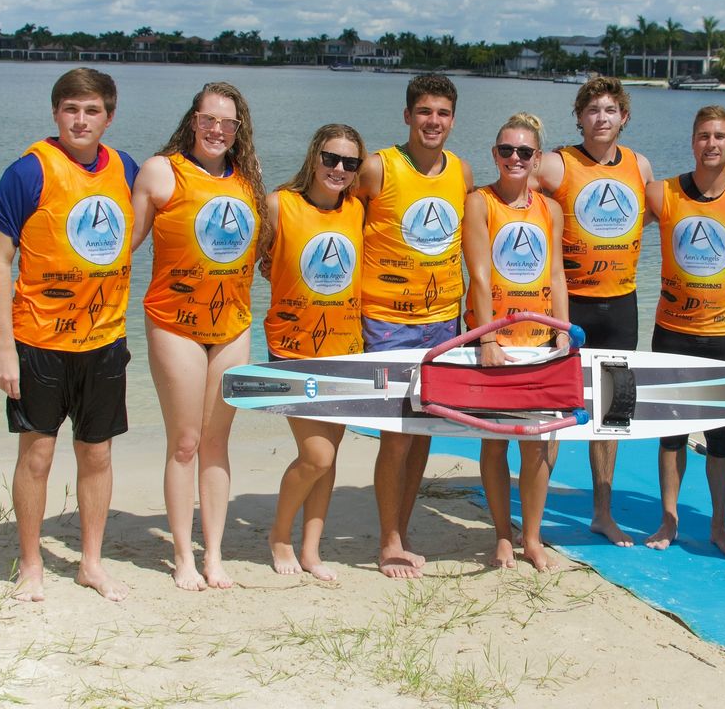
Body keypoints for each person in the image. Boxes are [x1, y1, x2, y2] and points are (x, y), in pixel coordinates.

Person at [0, 67, 137, 602]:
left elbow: (145, 231)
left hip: (104, 340)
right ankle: (31, 564)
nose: (81, 119)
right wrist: (4, 347)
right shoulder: (27, 173)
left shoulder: (126, 170)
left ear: (109, 116)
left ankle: (91, 563)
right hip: (37, 341)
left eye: (92, 110)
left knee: (97, 454)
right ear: (56, 113)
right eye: (71, 108)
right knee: (38, 455)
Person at [131, 82, 266, 591]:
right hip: (174, 324)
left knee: (216, 442)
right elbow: (121, 249)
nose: (217, 130)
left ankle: (214, 555)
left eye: (228, 124)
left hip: (233, 325)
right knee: (185, 442)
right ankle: (183, 557)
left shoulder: (247, 183)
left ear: (238, 131)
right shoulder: (161, 171)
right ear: (193, 120)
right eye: (209, 120)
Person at [643, 105, 725, 555]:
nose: (711, 144)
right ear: (693, 141)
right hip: (672, 331)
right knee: (672, 431)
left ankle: (718, 526)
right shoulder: (662, 194)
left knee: (721, 433)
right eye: (703, 136)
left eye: (720, 136)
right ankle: (669, 520)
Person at [357, 74, 473, 578]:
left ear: (452, 118)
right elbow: (330, 213)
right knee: (396, 436)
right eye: (424, 111)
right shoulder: (379, 167)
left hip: (444, 321)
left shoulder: (462, 172)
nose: (433, 121)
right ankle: (388, 542)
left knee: (424, 430)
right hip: (387, 322)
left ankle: (401, 531)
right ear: (407, 116)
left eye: (443, 113)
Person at [534, 76, 654, 547]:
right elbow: (510, 191)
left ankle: (602, 512)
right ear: (579, 117)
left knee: (611, 414)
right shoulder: (555, 164)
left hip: (622, 303)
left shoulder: (639, 165)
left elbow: (645, 213)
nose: (601, 118)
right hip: (569, 304)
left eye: (610, 110)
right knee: (554, 409)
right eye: (592, 110)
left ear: (623, 117)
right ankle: (538, 516)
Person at [463, 113, 569, 572]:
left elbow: (558, 275)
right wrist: (486, 338)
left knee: (539, 444)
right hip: (496, 340)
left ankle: (532, 536)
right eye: (506, 150)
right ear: (494, 154)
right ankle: (503, 535)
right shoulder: (478, 203)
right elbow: (480, 275)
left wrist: (565, 333)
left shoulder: (552, 209)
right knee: (495, 440)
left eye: (524, 152)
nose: (514, 158)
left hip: (542, 342)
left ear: (537, 158)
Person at [262, 124, 367, 580]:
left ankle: (311, 549)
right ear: (313, 157)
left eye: (350, 163)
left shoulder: (358, 210)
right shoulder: (279, 205)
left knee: (330, 458)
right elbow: (259, 264)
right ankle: (279, 536)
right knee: (316, 456)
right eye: (331, 158)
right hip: (292, 350)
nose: (339, 169)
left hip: (346, 350)